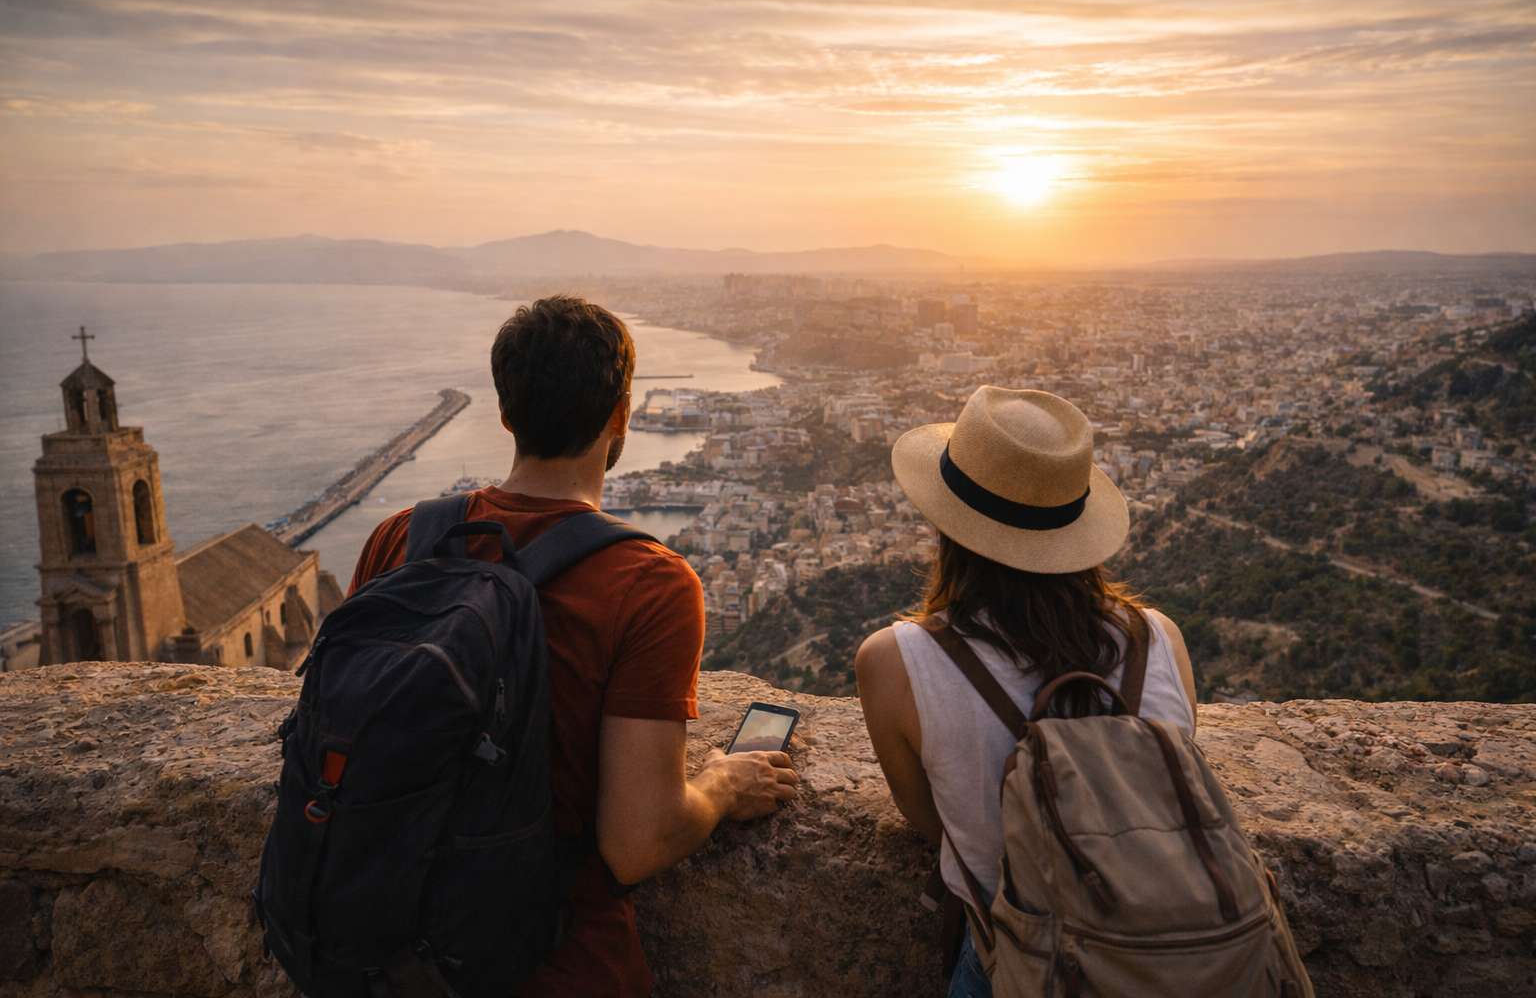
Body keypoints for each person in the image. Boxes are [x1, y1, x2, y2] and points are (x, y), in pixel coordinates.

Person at [349, 296, 799, 998]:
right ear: (622, 414)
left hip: (375, 942)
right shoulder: (650, 583)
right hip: (551, 963)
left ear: (505, 412)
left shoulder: (401, 536)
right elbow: (638, 840)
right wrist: (722, 782)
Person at [854, 387, 1197, 998]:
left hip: (1016, 963)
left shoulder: (894, 661)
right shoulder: (1158, 640)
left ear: (946, 523)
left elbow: (932, 820)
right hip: (1177, 957)